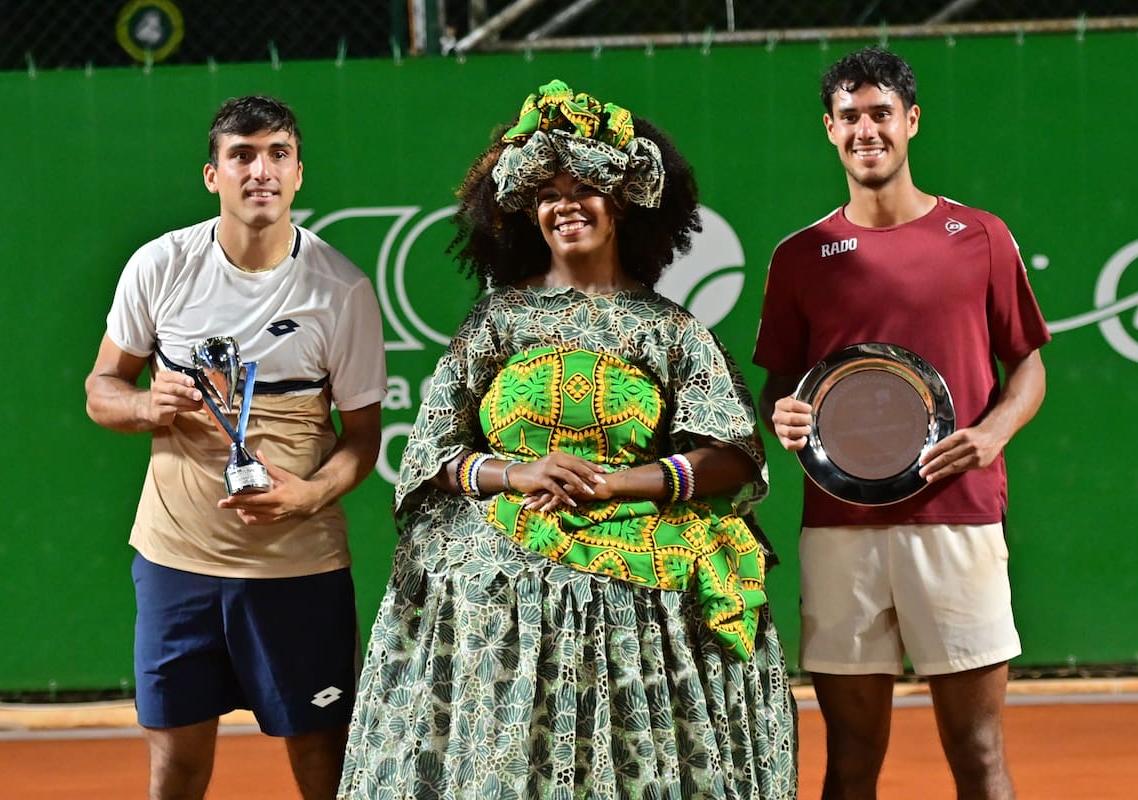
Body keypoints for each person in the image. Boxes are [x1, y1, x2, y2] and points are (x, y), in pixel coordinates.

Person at [338, 79, 797, 799]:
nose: (566, 205)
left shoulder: (669, 329)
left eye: (585, 188)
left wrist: (617, 483)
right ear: (528, 211)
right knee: (468, 574)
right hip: (505, 523)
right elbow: (431, 454)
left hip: (634, 517)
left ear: (623, 203)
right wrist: (516, 474)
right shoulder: (495, 322)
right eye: (548, 194)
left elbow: (732, 454)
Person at [754, 47, 1050, 800]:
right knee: (850, 760)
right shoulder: (799, 257)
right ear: (829, 129)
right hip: (840, 532)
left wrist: (992, 434)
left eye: (880, 113)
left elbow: (1028, 365)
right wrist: (783, 415)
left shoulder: (981, 236)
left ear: (911, 121)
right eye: (849, 116)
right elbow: (781, 389)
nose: (867, 130)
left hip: (958, 523)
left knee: (978, 754)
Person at [84, 95, 386, 800]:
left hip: (299, 568)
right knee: (176, 766)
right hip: (175, 563)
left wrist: (308, 495)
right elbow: (102, 388)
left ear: (299, 173)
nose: (261, 171)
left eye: (278, 154)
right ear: (212, 175)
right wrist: (143, 404)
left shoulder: (341, 290)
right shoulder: (160, 265)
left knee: (323, 762)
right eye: (241, 155)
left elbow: (363, 439)